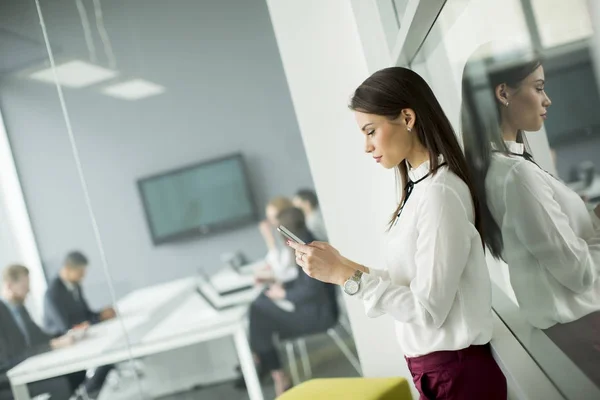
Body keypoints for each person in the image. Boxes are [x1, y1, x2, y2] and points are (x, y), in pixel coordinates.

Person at [287, 67, 507, 399]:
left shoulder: (440, 193)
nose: (366, 146)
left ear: (407, 117)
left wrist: (346, 276)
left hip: (458, 377)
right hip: (439, 374)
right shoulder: (419, 189)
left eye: (370, 131)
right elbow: (411, 284)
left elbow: (428, 311)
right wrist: (342, 265)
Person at [461, 44, 600, 329]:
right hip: (584, 329)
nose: (547, 100)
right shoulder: (517, 174)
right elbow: (579, 273)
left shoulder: (502, 166)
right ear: (503, 93)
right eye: (538, 88)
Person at [249, 207, 336, 396]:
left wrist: (283, 294)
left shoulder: (307, 248)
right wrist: (279, 286)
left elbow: (311, 288)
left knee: (258, 314)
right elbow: (307, 282)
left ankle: (268, 367)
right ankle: (268, 366)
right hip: (314, 308)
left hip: (318, 315)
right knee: (259, 311)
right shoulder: (305, 240)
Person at [43, 251, 116, 398]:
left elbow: (85, 314)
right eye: (80, 271)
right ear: (68, 268)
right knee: (105, 360)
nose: (83, 276)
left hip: (80, 338)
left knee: (109, 359)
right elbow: (66, 327)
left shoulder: (75, 286)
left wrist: (100, 315)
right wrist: (96, 319)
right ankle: (86, 394)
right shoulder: (53, 293)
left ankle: (88, 393)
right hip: (65, 345)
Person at [0, 264, 75, 399]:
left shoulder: (17, 308)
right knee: (61, 383)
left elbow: (36, 337)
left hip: (23, 365)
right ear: (10, 286)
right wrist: (53, 345)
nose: (28, 290)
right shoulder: (9, 312)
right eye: (24, 286)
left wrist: (60, 338)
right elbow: (13, 357)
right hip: (9, 378)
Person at [256, 197, 298, 283]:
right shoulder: (281, 235)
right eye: (269, 218)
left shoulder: (292, 236)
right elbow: (271, 262)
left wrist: (270, 240)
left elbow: (282, 270)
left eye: (273, 218)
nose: (271, 223)